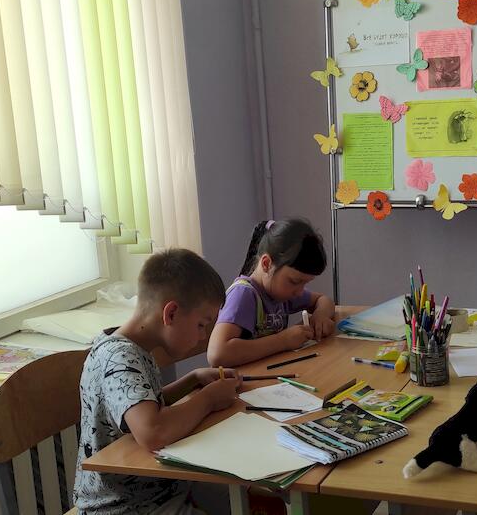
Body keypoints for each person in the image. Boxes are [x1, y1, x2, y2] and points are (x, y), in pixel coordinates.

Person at [74, 249, 243, 515]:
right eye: (202, 325)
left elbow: (144, 404)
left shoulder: (133, 349)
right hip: (121, 507)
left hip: (160, 488)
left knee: (249, 497)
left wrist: (192, 380)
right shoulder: (118, 358)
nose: (203, 336)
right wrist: (209, 399)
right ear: (171, 313)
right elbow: (152, 431)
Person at [207, 219, 335, 366]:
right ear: (267, 264)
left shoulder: (281, 293)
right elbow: (217, 354)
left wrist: (320, 316)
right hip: (247, 378)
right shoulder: (243, 295)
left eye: (305, 283)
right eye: (295, 281)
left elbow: (324, 300)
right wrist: (283, 341)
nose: (300, 292)